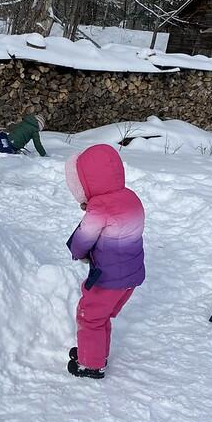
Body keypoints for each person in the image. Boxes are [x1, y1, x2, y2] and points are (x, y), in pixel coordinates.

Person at [65, 144, 145, 379]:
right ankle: (96, 352)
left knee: (90, 317)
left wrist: (76, 251)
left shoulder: (100, 207)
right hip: (130, 277)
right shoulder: (130, 197)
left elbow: (83, 238)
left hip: (107, 279)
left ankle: (90, 364)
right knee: (101, 317)